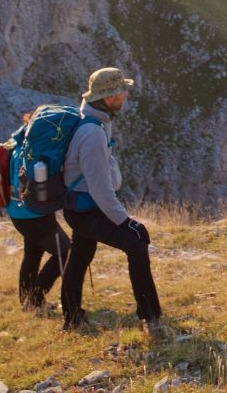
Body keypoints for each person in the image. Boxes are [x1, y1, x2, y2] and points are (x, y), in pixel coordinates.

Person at [60, 67, 163, 333]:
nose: (125, 95)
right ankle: (150, 317)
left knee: (81, 254)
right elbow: (100, 190)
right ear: (107, 98)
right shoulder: (92, 134)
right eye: (121, 92)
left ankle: (72, 318)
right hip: (86, 209)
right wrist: (125, 221)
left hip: (80, 206)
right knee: (136, 244)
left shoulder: (97, 121)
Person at [6, 113, 71, 312]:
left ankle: (28, 303)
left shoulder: (17, 143)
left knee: (33, 253)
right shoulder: (36, 149)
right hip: (35, 214)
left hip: (18, 212)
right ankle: (35, 299)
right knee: (65, 252)